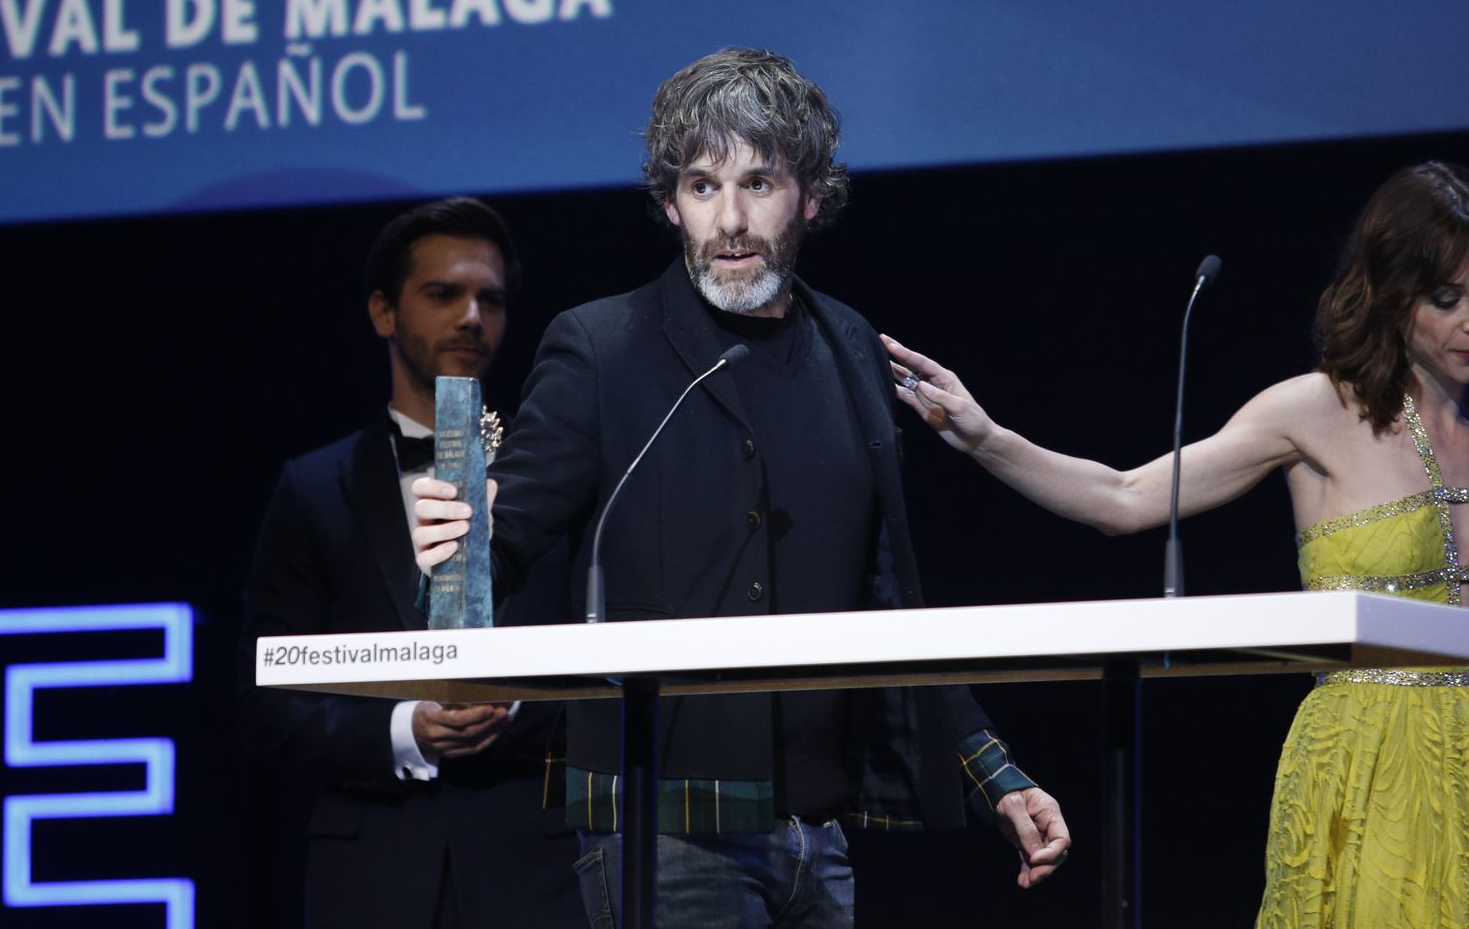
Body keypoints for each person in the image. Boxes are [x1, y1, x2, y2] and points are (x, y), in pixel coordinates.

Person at [411, 48, 1070, 927]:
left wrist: (995, 772)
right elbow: (501, 537)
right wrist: (457, 543)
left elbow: (887, 599)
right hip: (662, 829)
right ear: (670, 202)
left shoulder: (849, 346)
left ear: (811, 196)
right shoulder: (602, 346)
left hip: (820, 836)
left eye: (758, 183)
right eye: (701, 185)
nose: (728, 219)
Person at [883, 161, 1469, 927]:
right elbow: (1126, 497)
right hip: (1367, 762)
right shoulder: (1315, 410)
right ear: (1393, 294)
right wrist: (986, 438)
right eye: (1447, 298)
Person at [238, 197, 584, 929]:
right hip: (371, 874)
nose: (471, 317)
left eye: (490, 298)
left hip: (533, 871)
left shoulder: (556, 476)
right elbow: (266, 699)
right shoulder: (313, 490)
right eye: (443, 293)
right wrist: (405, 730)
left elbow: (604, 655)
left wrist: (516, 705)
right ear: (383, 312)